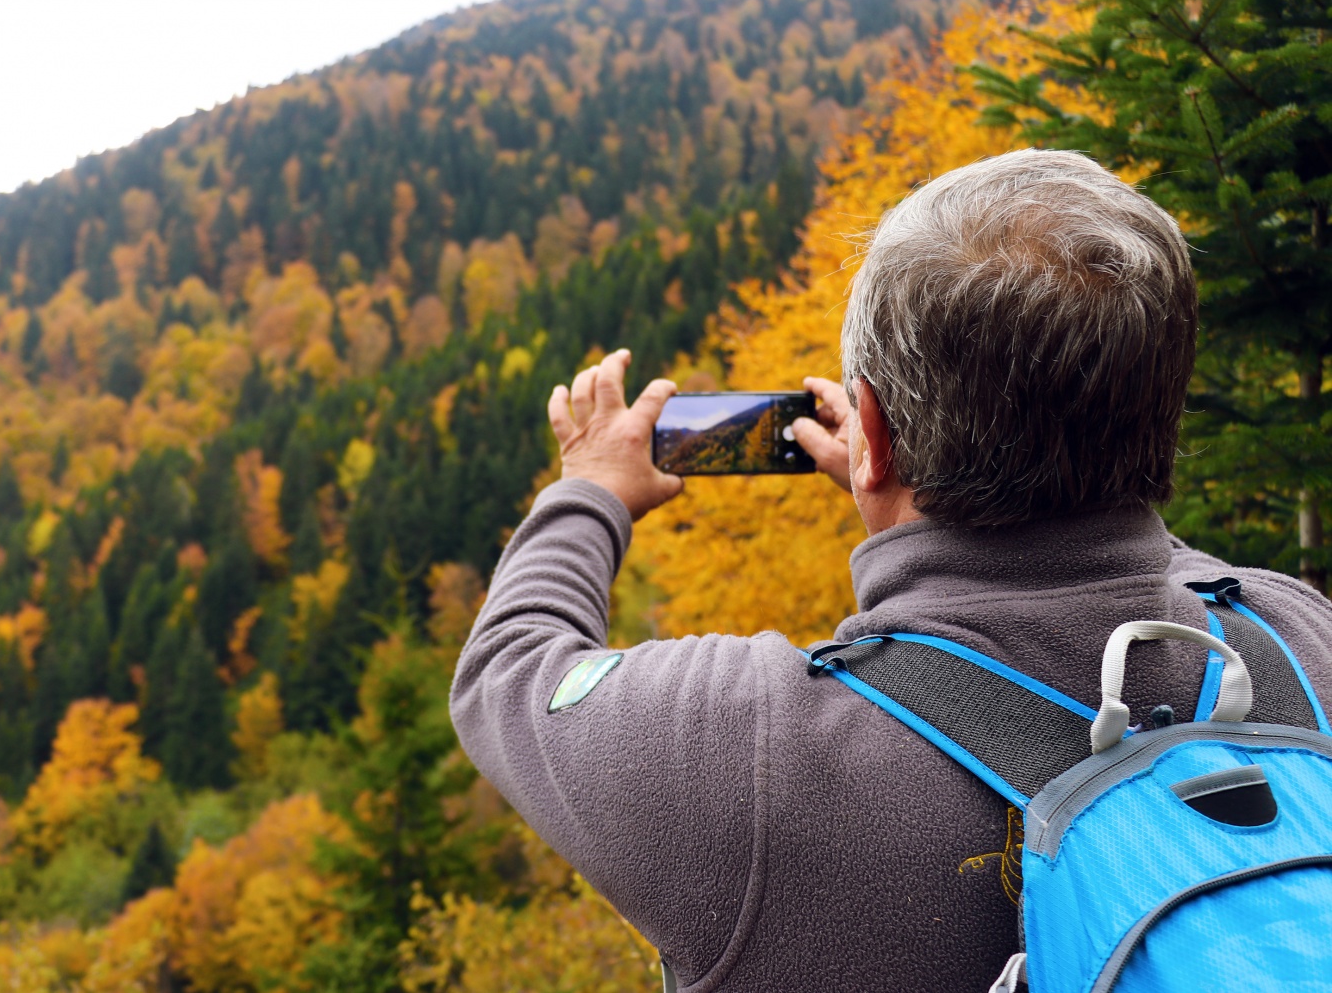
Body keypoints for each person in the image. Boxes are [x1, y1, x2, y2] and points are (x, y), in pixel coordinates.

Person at [448, 149, 1332, 992]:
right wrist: (903, 475)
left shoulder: (743, 749)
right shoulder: (1301, 640)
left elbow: (511, 666)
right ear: (1162, 405)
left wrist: (592, 488)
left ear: (868, 426)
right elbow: (1144, 547)